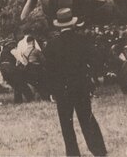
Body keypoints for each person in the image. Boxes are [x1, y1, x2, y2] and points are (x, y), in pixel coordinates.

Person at [44, 8, 107, 157]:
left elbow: (49, 71)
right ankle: (98, 151)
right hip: (81, 87)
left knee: (66, 124)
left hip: (62, 89)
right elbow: (95, 60)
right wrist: (92, 80)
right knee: (87, 120)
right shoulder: (83, 40)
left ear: (58, 25)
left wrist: (52, 91)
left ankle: (73, 154)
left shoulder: (52, 45)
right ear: (73, 23)